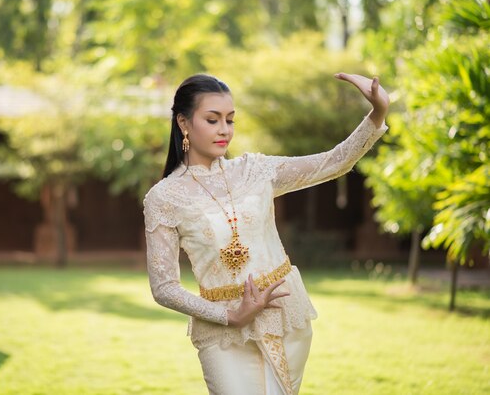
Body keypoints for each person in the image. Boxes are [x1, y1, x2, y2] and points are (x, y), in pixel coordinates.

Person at [143, 73, 389, 395]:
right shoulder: (164, 198)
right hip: (223, 332)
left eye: (230, 120)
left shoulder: (255, 171)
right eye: (212, 119)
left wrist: (378, 114)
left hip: (283, 314)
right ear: (184, 123)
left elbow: (334, 162)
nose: (224, 130)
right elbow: (164, 287)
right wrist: (230, 316)